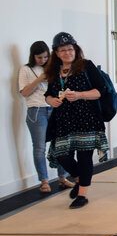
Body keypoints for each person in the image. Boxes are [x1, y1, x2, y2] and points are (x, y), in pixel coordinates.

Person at [44, 32, 109, 209]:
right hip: (63, 121)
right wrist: (52, 101)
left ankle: (82, 195)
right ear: (56, 53)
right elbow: (48, 95)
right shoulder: (54, 71)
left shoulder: (85, 66)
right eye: (63, 50)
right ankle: (81, 181)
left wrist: (80, 95)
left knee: (84, 156)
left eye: (70, 49)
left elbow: (99, 91)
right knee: (61, 154)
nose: (67, 53)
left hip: (86, 119)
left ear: (75, 49)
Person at [18, 41, 75, 193]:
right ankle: (44, 181)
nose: (42, 60)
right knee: (40, 147)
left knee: (61, 144)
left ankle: (63, 177)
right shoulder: (26, 69)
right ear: (33, 56)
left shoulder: (54, 68)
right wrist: (39, 79)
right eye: (39, 58)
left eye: (45, 57)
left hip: (55, 108)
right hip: (37, 111)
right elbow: (24, 93)